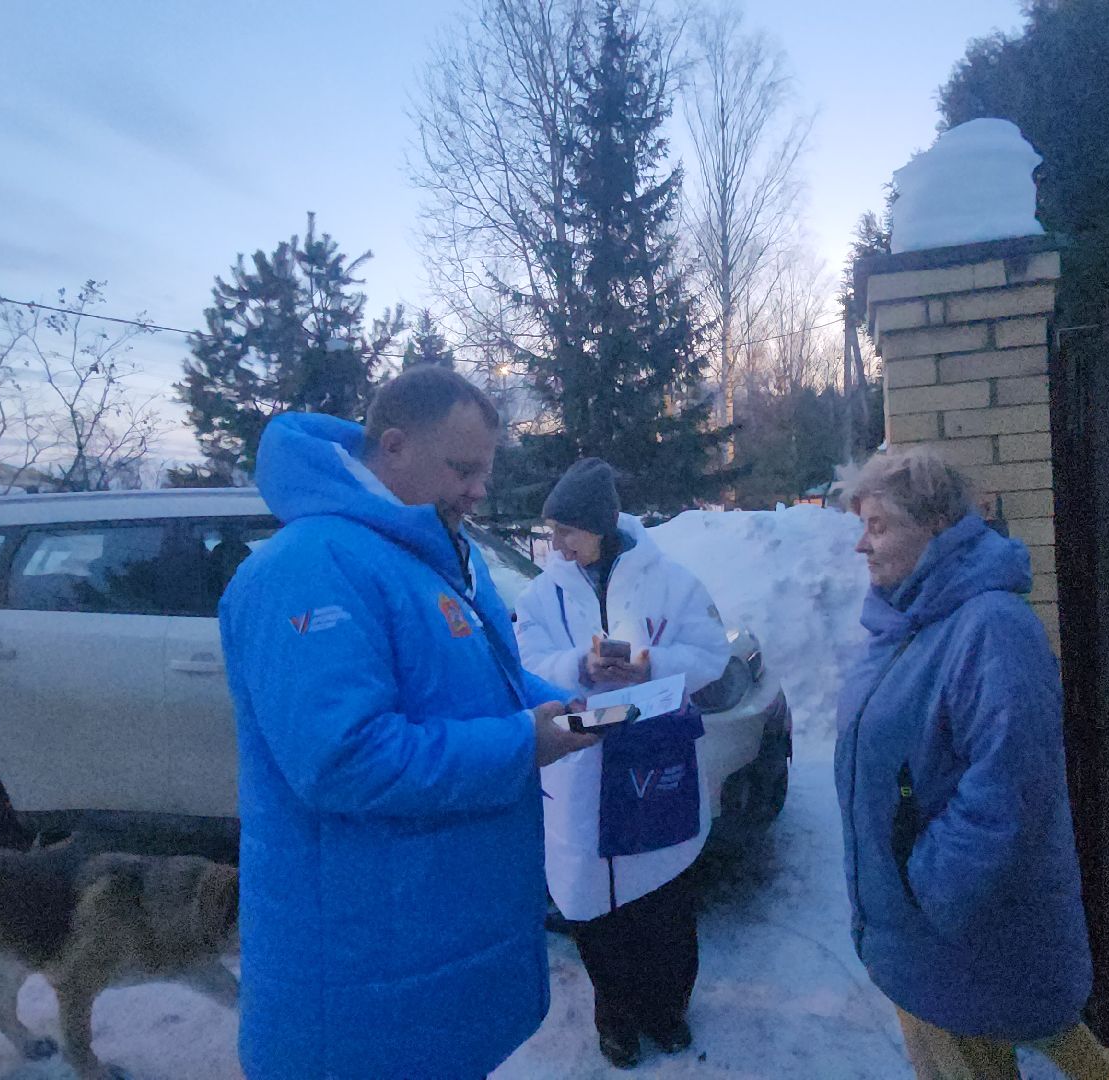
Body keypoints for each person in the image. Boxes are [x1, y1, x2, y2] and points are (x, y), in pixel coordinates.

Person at [218, 367, 600, 1080]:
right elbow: (345, 760)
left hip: (428, 952)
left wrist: (571, 706)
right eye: (463, 468)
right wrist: (525, 742)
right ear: (393, 446)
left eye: (484, 469)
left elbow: (490, 684)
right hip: (362, 974)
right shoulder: (310, 567)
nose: (479, 489)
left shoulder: (436, 554)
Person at [834, 449, 1109, 1080]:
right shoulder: (908, 621)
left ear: (937, 525)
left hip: (956, 932)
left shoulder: (990, 627)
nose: (862, 545)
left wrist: (928, 888)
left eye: (878, 525)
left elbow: (1009, 784)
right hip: (924, 928)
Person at [513, 458, 732, 1070]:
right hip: (580, 768)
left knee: (663, 903)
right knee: (593, 913)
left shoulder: (673, 583)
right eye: (552, 531)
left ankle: (667, 1009)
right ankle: (615, 1015)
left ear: (601, 526)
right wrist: (578, 669)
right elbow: (525, 661)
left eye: (566, 531)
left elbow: (711, 655)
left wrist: (650, 663)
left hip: (654, 766)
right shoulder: (540, 594)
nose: (555, 544)